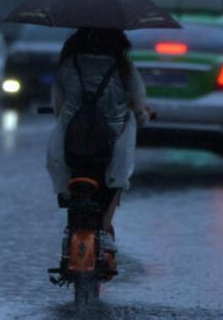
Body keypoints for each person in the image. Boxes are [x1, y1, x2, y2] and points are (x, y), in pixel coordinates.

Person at [47, 28, 151, 276]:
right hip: (110, 145)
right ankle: (103, 230)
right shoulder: (125, 68)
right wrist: (143, 116)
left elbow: (58, 106)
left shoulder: (68, 66)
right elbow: (138, 106)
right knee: (116, 181)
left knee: (66, 173)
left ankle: (71, 229)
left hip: (72, 145)